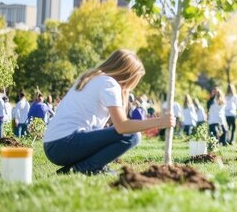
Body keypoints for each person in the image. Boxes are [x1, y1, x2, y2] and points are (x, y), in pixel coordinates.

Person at [43, 50, 175, 175]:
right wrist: (159, 121)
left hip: (53, 145)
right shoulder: (109, 84)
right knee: (132, 135)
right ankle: (84, 168)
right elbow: (122, 126)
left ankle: (81, 167)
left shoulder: (91, 78)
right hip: (65, 143)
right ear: (128, 75)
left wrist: (123, 94)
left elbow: (113, 124)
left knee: (121, 133)